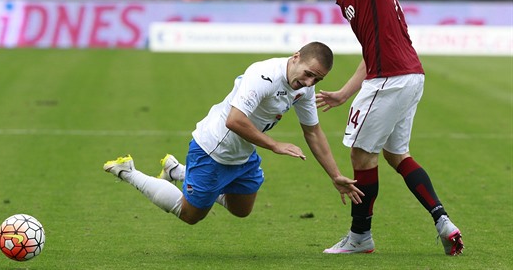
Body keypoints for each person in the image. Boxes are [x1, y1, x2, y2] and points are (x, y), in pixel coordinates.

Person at [292, 0, 464, 255]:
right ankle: (443, 223)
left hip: (390, 79)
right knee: (396, 155)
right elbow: (369, 52)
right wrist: (345, 92)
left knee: (361, 155)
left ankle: (360, 237)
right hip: (410, 76)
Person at [104, 42, 364, 226]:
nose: (309, 83)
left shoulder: (302, 89)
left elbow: (313, 132)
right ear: (296, 57)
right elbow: (235, 120)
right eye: (308, 74)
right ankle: (129, 171)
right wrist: (274, 145)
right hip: (214, 149)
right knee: (190, 215)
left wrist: (335, 175)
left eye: (317, 80)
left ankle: (177, 172)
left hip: (244, 152)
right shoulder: (263, 75)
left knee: (242, 210)